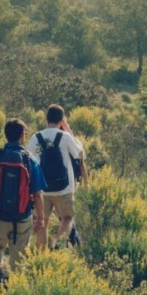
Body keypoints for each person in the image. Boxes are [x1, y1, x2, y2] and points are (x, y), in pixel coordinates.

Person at [0, 118, 46, 294]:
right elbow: (37, 194)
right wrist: (41, 219)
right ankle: (14, 290)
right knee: (19, 254)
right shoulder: (31, 161)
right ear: (22, 136)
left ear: (5, 135)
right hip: (22, 217)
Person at [27, 104, 87, 249]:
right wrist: (68, 129)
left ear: (46, 119)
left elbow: (29, 161)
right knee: (67, 218)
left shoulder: (36, 137)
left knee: (42, 221)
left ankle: (42, 256)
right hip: (64, 188)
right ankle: (57, 245)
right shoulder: (65, 137)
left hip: (42, 189)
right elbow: (81, 155)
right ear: (62, 120)